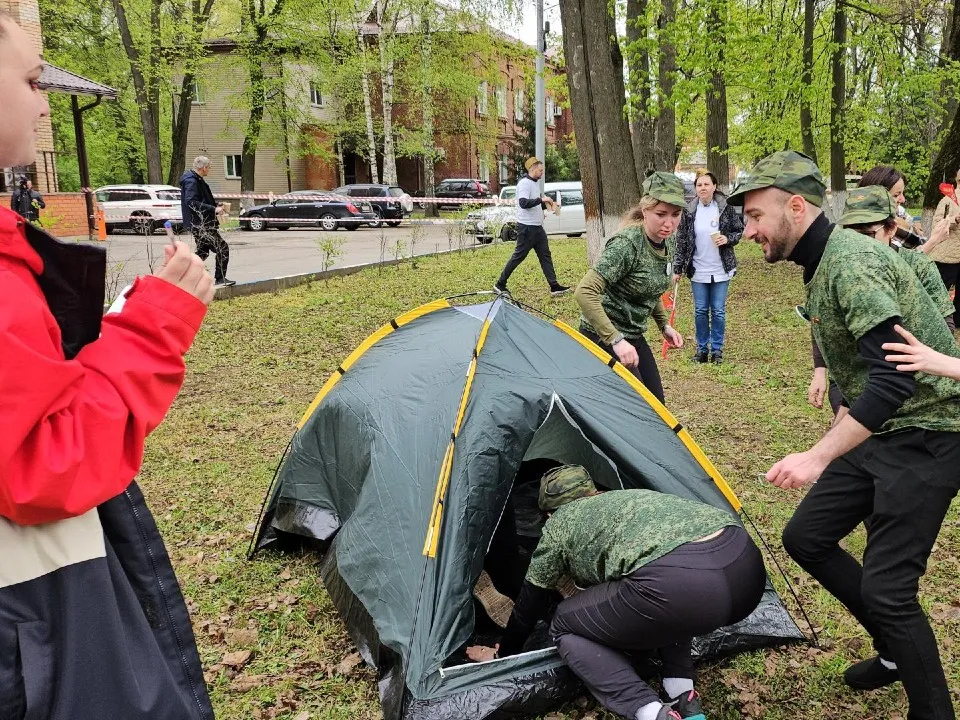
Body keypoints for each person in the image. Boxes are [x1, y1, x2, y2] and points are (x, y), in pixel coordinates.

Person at [0, 13, 216, 719]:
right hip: (40, 625)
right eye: (31, 81)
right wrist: (155, 327)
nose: (41, 104)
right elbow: (45, 459)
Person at [729, 150, 960, 720]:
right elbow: (865, 369)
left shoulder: (851, 262)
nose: (748, 230)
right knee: (807, 538)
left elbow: (894, 377)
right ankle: (891, 648)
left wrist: (816, 455)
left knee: (889, 592)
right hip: (882, 429)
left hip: (931, 431)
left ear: (797, 207)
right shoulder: (824, 261)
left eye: (757, 215)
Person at [465, 465, 765, 720]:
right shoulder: (629, 498)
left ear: (548, 515)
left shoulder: (559, 526)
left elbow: (530, 602)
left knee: (565, 622)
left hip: (679, 589)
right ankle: (682, 692)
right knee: (667, 594)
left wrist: (504, 653)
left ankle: (649, 711)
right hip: (745, 569)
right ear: (595, 492)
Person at [807, 185, 955, 413]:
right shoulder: (836, 269)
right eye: (849, 233)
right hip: (853, 381)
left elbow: (944, 329)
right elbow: (822, 322)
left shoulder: (919, 266)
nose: (856, 243)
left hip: (914, 387)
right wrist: (820, 372)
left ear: (891, 229)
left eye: (867, 234)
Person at [574, 172, 685, 404]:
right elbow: (584, 292)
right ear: (645, 211)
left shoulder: (668, 242)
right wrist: (615, 340)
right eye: (661, 214)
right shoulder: (627, 245)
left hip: (633, 335)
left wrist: (664, 324)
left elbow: (651, 287)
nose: (669, 223)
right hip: (602, 336)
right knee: (635, 408)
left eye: (676, 215)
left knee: (656, 405)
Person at [673, 169, 744, 364]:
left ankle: (717, 350)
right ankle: (702, 350)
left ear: (714, 187)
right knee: (701, 311)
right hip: (698, 269)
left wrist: (727, 239)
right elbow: (681, 241)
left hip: (721, 268)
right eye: (699, 185)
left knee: (718, 310)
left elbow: (739, 231)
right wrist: (677, 269)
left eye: (706, 184)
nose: (702, 188)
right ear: (695, 189)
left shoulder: (725, 208)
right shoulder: (689, 211)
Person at [494, 156, 570, 296]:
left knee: (545, 255)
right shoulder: (524, 184)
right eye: (540, 170)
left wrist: (549, 205)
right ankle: (500, 284)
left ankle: (554, 286)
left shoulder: (534, 184)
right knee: (518, 257)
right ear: (532, 169)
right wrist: (542, 199)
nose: (542, 173)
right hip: (527, 228)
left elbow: (534, 204)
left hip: (537, 228)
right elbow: (523, 203)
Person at [180, 155, 234, 286]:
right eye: (209, 167)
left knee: (203, 252)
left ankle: (185, 277)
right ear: (204, 168)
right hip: (201, 223)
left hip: (201, 222)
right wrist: (212, 209)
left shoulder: (197, 180)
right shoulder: (192, 181)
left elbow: (201, 199)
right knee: (222, 248)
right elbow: (191, 202)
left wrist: (216, 205)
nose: (209, 169)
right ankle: (220, 279)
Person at [924, 168, 960, 326]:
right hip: (947, 256)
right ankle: (931, 319)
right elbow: (937, 223)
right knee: (940, 289)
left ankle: (957, 321)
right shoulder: (948, 200)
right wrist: (955, 219)